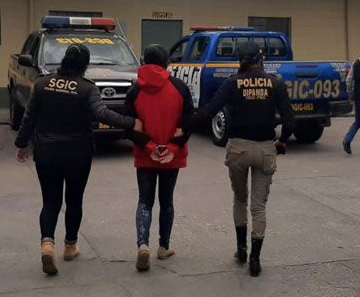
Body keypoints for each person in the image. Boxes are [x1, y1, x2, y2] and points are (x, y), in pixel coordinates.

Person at [15, 44, 142, 275]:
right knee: (74, 200)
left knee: (50, 201)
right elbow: (102, 114)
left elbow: (29, 116)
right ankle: (70, 246)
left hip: (46, 151)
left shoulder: (43, 84)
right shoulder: (86, 88)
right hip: (77, 153)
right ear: (84, 65)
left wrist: (22, 144)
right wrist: (131, 122)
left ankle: (47, 243)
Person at [197, 41, 295, 277]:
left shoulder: (232, 83)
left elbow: (209, 110)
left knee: (240, 199)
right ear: (261, 59)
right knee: (258, 206)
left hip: (238, 149)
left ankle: (241, 249)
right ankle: (255, 259)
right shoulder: (276, 82)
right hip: (265, 149)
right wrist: (282, 142)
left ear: (240, 60)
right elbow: (290, 120)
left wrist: (182, 126)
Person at [125, 45, 194, 272]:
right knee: (167, 201)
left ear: (144, 61)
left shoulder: (135, 90)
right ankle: (163, 247)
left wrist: (149, 145)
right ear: (166, 63)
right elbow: (187, 123)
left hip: (146, 154)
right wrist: (173, 147)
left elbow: (130, 126)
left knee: (145, 200)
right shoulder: (180, 87)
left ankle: (142, 244)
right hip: (171, 156)